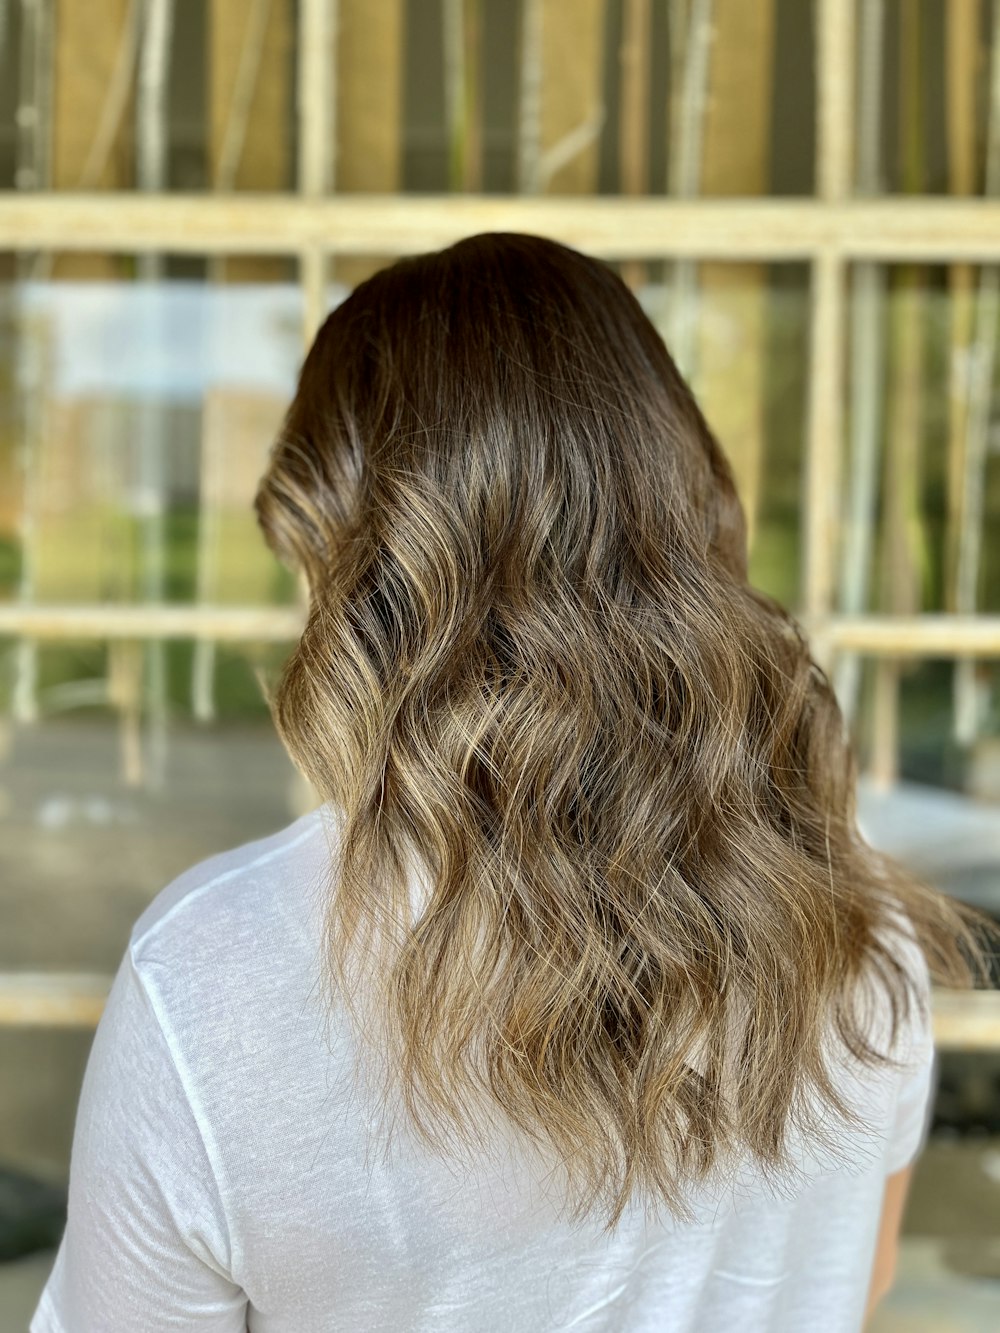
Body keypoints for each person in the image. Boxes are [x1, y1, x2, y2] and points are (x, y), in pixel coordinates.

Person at [31, 233, 997, 1332]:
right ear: (690, 518)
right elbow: (857, 1285)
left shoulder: (212, 980)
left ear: (345, 563)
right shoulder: (860, 934)